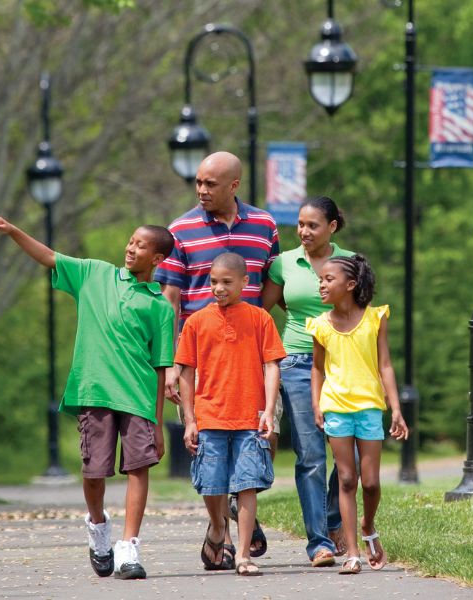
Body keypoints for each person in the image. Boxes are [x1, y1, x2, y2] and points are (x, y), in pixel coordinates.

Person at [0, 211, 175, 580]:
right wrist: (13, 231)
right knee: (94, 471)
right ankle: (98, 528)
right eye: (131, 242)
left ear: (158, 259)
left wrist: (158, 423)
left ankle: (129, 548)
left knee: (139, 469)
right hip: (95, 390)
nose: (131, 249)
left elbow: (160, 367)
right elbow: (49, 256)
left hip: (137, 396)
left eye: (141, 246)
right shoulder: (95, 274)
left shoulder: (160, 307)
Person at [156, 151, 279, 556]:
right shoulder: (181, 229)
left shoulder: (264, 225)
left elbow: (271, 283)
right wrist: (173, 364)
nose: (201, 190)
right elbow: (169, 299)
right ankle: (217, 528)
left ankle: (244, 499)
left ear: (234, 186)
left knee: (265, 434)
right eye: (198, 182)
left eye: (211, 184)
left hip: (252, 357)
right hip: (201, 359)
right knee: (206, 448)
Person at [175, 253, 286, 576]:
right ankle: (217, 527)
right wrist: (190, 419)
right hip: (209, 416)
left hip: (249, 417)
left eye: (226, 282)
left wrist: (267, 411)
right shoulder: (196, 322)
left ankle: (242, 555)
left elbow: (271, 366)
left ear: (244, 282)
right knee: (212, 484)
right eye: (213, 281)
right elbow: (186, 373)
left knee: (247, 485)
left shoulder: (259, 319)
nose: (218, 288)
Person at [260, 197, 352, 567]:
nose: (304, 231)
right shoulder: (283, 263)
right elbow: (262, 312)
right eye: (300, 224)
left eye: (313, 225)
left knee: (352, 454)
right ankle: (320, 543)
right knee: (311, 454)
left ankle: (333, 520)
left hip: (345, 363)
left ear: (332, 226)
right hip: (297, 362)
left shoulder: (349, 262)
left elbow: (360, 311)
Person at [305, 254, 409, 575]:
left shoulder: (375, 319)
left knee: (372, 483)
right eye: (320, 279)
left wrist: (396, 409)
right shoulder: (320, 325)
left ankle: (368, 525)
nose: (321, 284)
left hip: (368, 408)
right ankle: (352, 552)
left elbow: (385, 365)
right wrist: (317, 403)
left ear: (350, 285)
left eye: (328, 279)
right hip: (336, 407)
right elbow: (317, 368)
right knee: (347, 480)